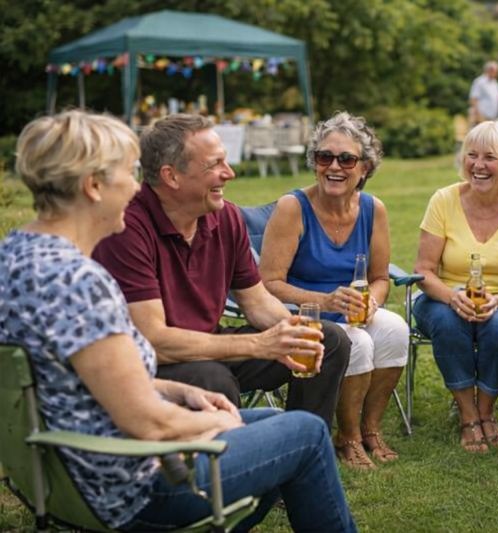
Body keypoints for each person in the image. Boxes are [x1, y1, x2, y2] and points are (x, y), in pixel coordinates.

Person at [0, 110, 357, 532]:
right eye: (128, 172)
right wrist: (216, 422)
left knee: (279, 426)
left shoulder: (17, 255)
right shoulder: (79, 280)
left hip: (70, 469)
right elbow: (147, 421)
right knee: (308, 434)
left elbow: (73, 378)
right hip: (132, 484)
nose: (137, 185)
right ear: (93, 186)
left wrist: (176, 390)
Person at [93, 114, 350, 428]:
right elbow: (153, 340)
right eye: (214, 165)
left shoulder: (225, 217)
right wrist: (258, 344)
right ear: (171, 176)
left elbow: (256, 302)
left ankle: (302, 446)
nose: (229, 173)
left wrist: (295, 331)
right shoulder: (127, 227)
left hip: (210, 344)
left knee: (328, 340)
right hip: (150, 363)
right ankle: (233, 466)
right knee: (212, 379)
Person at [259, 112, 408, 470]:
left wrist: (373, 300)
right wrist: (323, 301)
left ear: (365, 168)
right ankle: (348, 436)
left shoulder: (374, 210)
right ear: (314, 163)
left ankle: (371, 429)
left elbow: (380, 277)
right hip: (305, 314)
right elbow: (269, 282)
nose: (334, 167)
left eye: (346, 159)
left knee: (394, 330)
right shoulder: (292, 207)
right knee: (360, 342)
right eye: (324, 157)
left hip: (353, 310)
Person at [413, 120, 498, 453]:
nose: (478, 165)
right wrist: (452, 297)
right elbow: (424, 270)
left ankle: (487, 412)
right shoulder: (444, 200)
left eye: (489, 157)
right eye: (471, 155)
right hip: (443, 297)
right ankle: (467, 414)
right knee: (449, 320)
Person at [469, 60, 498, 127]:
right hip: (482, 117)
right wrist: (478, 115)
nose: (497, 73)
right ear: (489, 70)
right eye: (495, 71)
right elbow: (473, 99)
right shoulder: (479, 82)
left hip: (493, 117)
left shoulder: (495, 82)